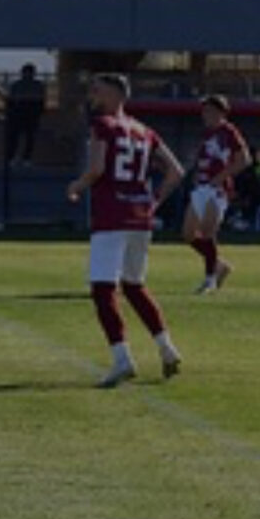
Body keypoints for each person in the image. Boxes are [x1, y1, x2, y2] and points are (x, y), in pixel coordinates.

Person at [66, 73, 184, 387]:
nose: (93, 96)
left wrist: (77, 186)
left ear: (117, 94)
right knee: (134, 285)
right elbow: (176, 171)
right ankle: (167, 349)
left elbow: (97, 168)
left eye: (98, 91)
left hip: (112, 214)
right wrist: (154, 202)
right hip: (140, 216)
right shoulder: (144, 130)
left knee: (103, 289)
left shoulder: (103, 125)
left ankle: (122, 359)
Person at [182, 95, 251, 294]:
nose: (206, 115)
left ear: (221, 112)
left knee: (207, 233)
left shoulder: (228, 132)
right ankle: (219, 265)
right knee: (188, 234)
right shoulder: (206, 133)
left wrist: (220, 178)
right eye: (204, 111)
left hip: (217, 189)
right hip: (201, 187)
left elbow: (243, 159)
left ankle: (209, 279)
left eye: (210, 111)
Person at [6, 63, 46, 166]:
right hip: (27, 112)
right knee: (25, 137)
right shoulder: (38, 85)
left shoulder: (17, 85)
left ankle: (17, 158)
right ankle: (22, 158)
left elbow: (10, 101)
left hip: (22, 111)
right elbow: (42, 101)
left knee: (22, 137)